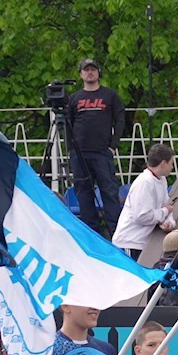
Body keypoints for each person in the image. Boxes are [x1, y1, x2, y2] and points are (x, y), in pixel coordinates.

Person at [65, 58, 125, 235]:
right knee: (83, 193)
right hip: (79, 154)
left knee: (109, 192)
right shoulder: (74, 98)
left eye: (93, 69)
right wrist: (70, 148)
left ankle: (116, 234)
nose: (89, 73)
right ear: (81, 74)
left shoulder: (110, 95)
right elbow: (68, 124)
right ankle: (91, 234)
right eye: (86, 70)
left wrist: (113, 145)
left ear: (99, 72)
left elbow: (120, 119)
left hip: (102, 152)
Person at [112, 143, 175, 259]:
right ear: (163, 163)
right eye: (171, 163)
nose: (172, 167)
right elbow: (142, 216)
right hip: (130, 242)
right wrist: (165, 212)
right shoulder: (144, 183)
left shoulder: (162, 180)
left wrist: (169, 222)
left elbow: (167, 206)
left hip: (141, 242)